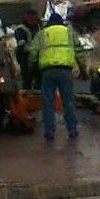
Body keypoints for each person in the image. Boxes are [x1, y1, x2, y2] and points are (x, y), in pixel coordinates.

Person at [28, 11, 81, 141]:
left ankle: (49, 131)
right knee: (68, 101)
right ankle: (72, 129)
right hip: (65, 71)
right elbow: (79, 51)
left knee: (48, 102)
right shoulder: (69, 33)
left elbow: (33, 52)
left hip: (48, 72)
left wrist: (30, 68)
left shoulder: (42, 34)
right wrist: (83, 68)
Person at [12, 7, 42, 88]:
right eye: (30, 18)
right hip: (26, 58)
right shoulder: (21, 29)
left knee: (39, 81)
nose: (32, 20)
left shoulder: (39, 28)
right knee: (27, 80)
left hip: (38, 58)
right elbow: (21, 46)